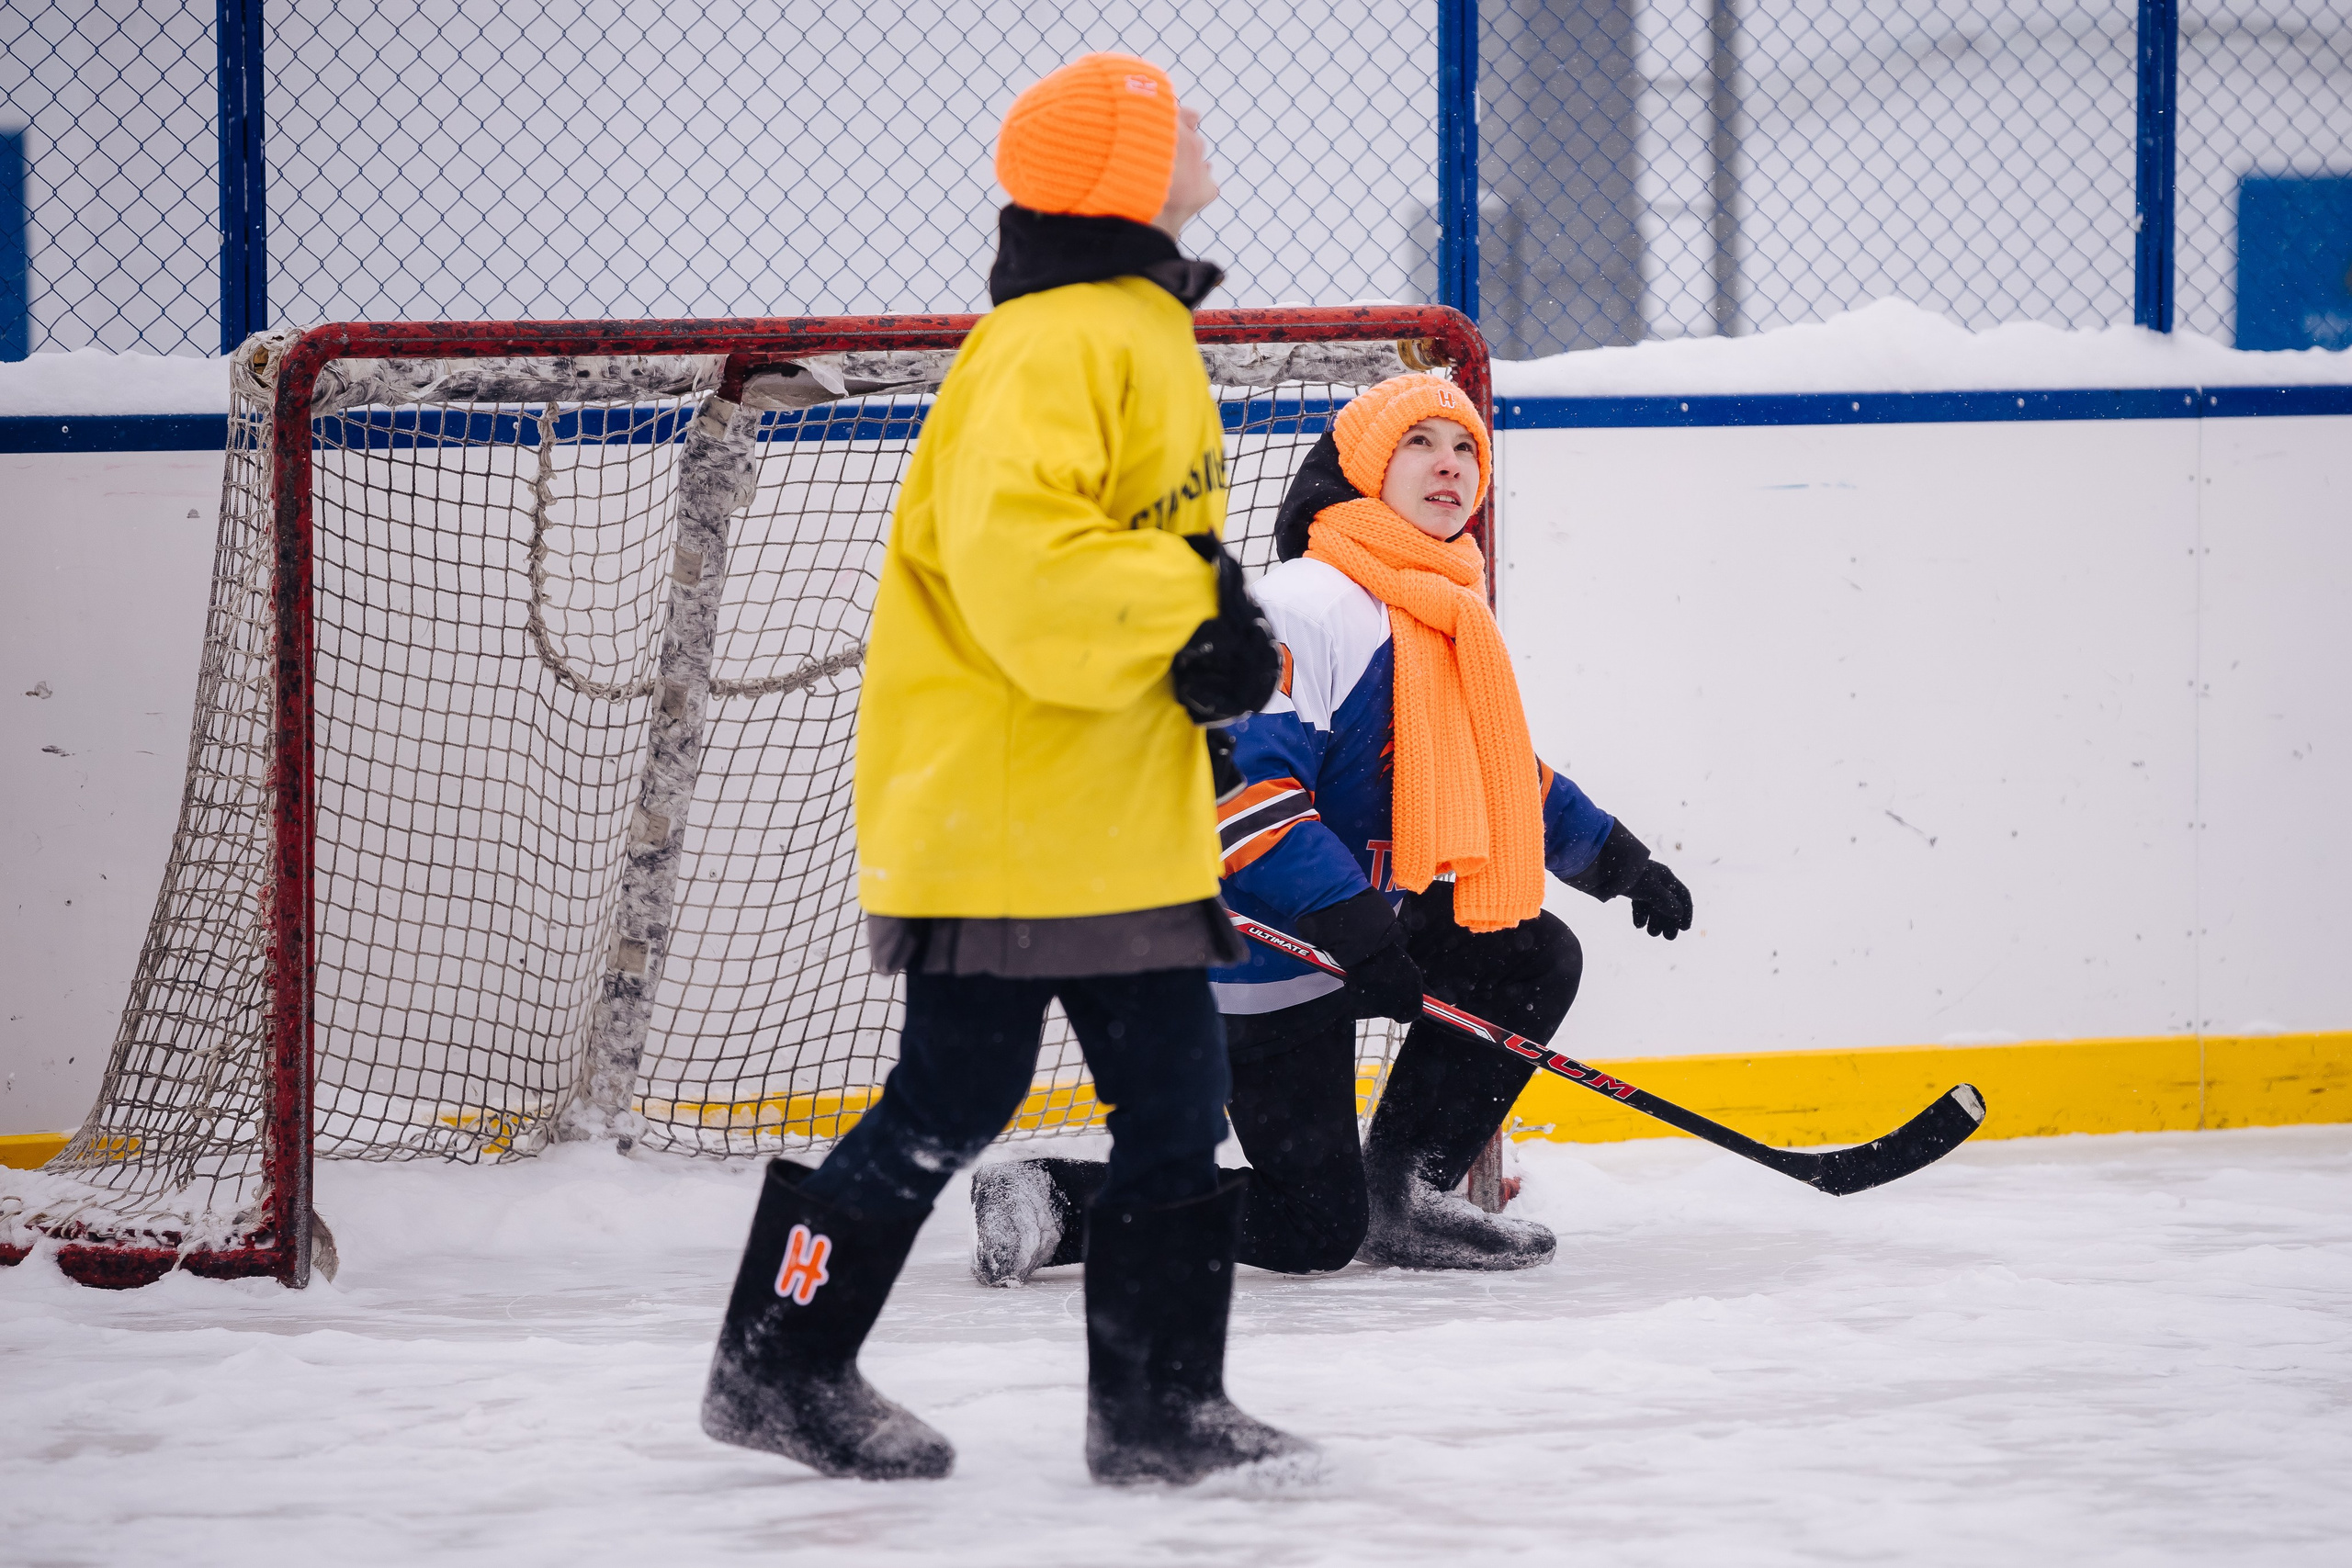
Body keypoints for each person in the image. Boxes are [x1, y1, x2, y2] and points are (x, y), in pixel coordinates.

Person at [699, 53, 1307, 1486]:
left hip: (1107, 813)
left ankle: (1160, 1407)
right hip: (1017, 809)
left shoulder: (1129, 326)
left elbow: (1131, 541)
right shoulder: (1052, 342)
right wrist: (1193, 616)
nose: (1203, 131)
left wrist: (1209, 625)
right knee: (950, 1101)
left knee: (1174, 1102)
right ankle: (777, 1358)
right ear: (1119, 167)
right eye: (1177, 119)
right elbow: (1020, 558)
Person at [971, 374, 1693, 1284]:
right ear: (1361, 472)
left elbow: (1496, 772)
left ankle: (1405, 1192)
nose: (1450, 464)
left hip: (1351, 929)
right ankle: (1059, 1198)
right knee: (1310, 1228)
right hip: (1248, 947)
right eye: (1419, 444)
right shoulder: (1302, 609)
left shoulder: (1436, 611)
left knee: (1526, 952)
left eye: (1465, 446)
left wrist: (1619, 861)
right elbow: (1233, 787)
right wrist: (1347, 918)